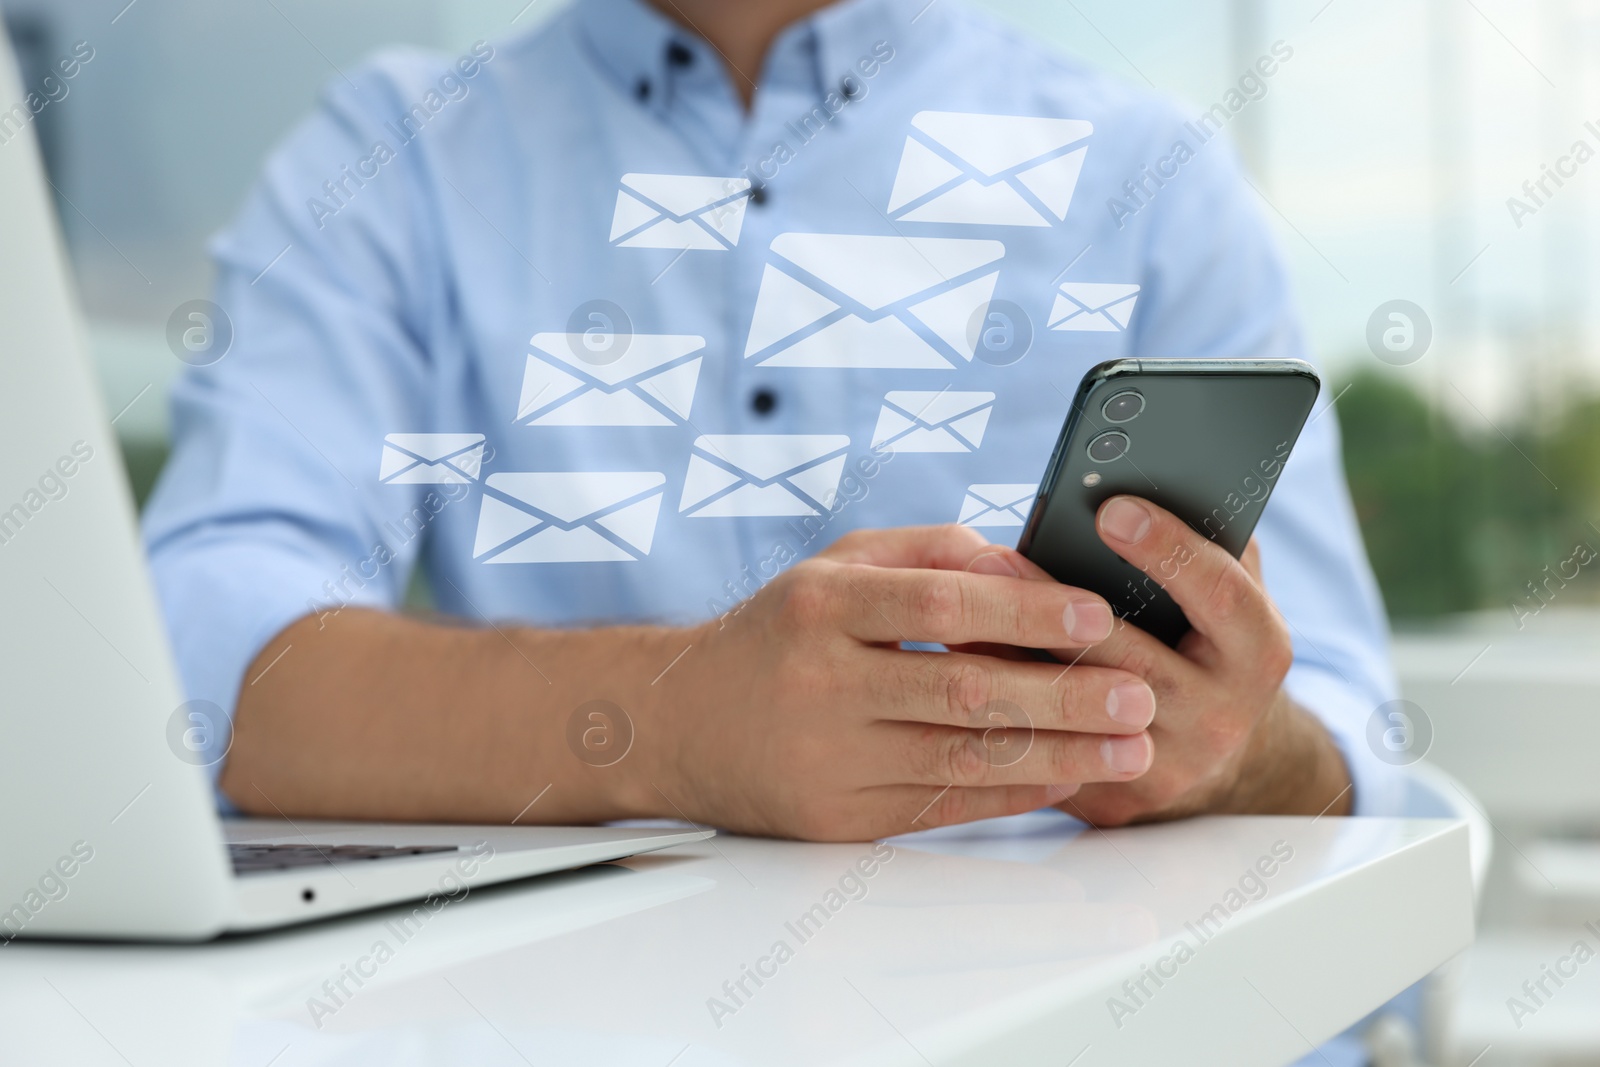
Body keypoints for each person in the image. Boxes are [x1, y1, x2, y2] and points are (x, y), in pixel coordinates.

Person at [142, 0, 1400, 842]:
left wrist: (1235, 752)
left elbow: (1348, 744)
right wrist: (669, 718)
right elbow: (193, 646)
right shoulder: (398, 151)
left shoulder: (1155, 179)